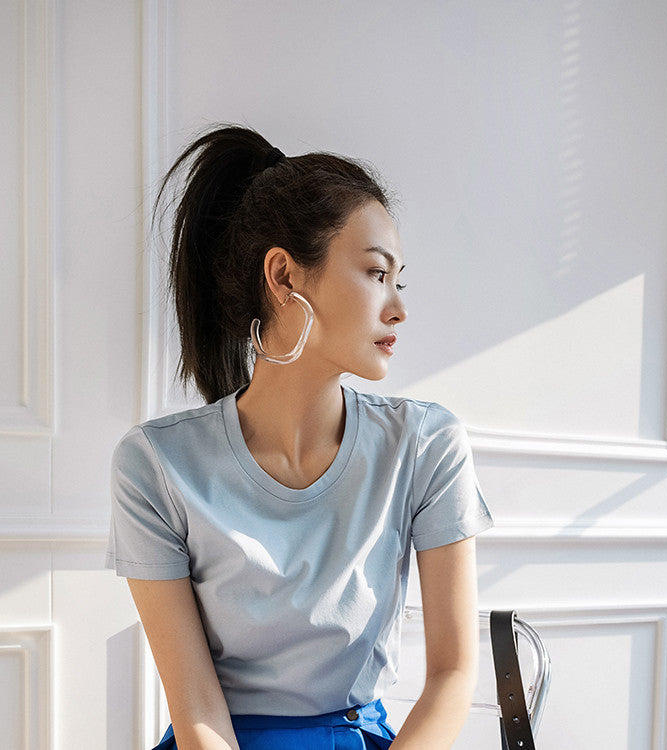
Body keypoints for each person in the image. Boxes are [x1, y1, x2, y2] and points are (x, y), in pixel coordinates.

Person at [104, 124, 494, 750]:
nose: (397, 308)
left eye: (399, 280)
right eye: (374, 273)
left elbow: (452, 674)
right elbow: (196, 706)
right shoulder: (155, 465)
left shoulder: (426, 445)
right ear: (284, 276)